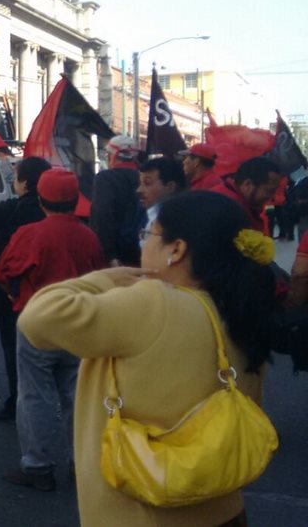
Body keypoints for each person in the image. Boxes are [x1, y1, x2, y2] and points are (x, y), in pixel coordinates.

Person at [18, 191, 277, 526]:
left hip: (142, 512)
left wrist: (102, 280)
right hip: (223, 507)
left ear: (176, 249)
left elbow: (37, 319)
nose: (143, 243)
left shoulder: (153, 301)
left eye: (149, 234)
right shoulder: (241, 311)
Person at [0, 169, 105, 492]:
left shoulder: (30, 233)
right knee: (77, 396)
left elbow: (0, 273)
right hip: (79, 323)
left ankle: (38, 465)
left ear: (41, 199)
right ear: (75, 199)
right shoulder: (89, 236)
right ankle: (81, 465)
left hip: (38, 321)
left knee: (34, 395)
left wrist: (14, 296)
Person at [0, 156, 51, 422]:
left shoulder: (12, 211)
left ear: (26, 182)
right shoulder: (56, 215)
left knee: (13, 344)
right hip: (53, 290)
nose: (13, 181)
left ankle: (19, 399)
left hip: (12, 289)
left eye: (16, 176)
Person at [90, 134, 144, 266]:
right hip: (142, 251)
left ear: (112, 155)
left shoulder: (105, 178)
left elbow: (102, 215)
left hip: (117, 255)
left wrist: (109, 254)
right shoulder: (145, 177)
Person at [211, 156, 281, 234]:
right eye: (269, 190)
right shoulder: (226, 208)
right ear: (247, 184)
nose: (272, 196)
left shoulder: (242, 202)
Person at [137, 155, 187, 244]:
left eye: (147, 183)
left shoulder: (178, 224)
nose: (139, 190)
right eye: (140, 184)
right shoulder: (148, 214)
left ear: (170, 187)